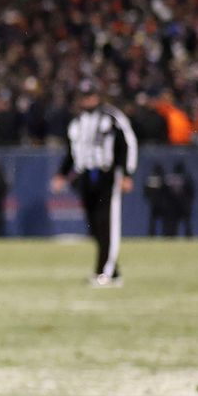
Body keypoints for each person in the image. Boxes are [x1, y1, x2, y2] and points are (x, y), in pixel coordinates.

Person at [52, 79, 138, 287]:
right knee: (95, 227)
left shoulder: (112, 117)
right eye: (84, 96)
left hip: (107, 175)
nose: (88, 99)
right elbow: (73, 153)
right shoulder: (77, 122)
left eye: (90, 95)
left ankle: (104, 273)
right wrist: (62, 174)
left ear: (98, 96)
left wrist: (127, 173)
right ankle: (112, 271)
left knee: (107, 224)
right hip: (86, 177)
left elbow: (127, 144)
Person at [165, 162, 195, 239]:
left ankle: (172, 236)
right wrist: (189, 201)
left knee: (173, 223)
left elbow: (164, 192)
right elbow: (191, 191)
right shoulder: (186, 178)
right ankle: (188, 236)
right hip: (183, 204)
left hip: (173, 205)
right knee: (186, 222)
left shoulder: (169, 178)